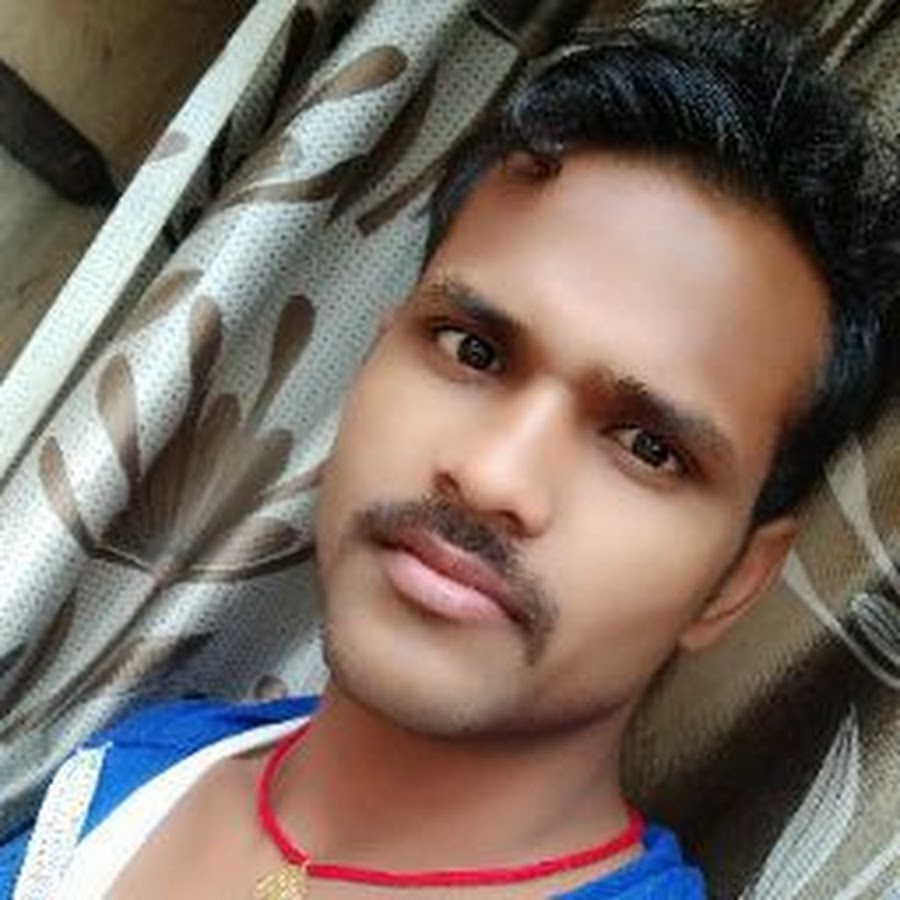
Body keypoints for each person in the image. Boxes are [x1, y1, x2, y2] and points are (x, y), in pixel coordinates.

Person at [2, 5, 899, 898]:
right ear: (372, 361)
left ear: (736, 579)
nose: (491, 474)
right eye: (471, 350)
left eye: (648, 447)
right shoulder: (135, 771)